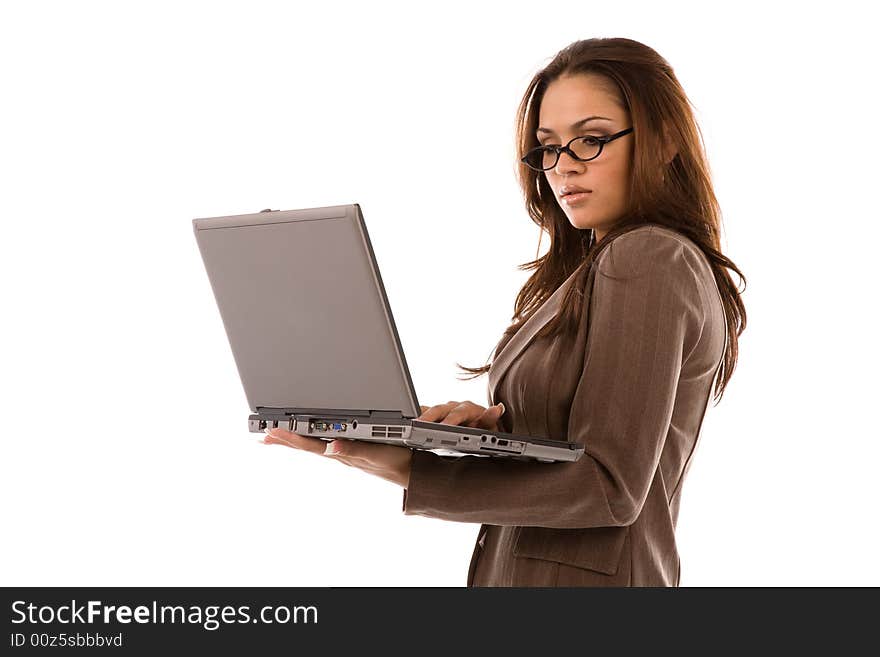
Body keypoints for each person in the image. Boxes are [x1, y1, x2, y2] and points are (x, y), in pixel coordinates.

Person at [262, 37, 747, 587]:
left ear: (662, 142)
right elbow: (581, 452)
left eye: (590, 140)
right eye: (549, 147)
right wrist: (495, 428)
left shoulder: (650, 257)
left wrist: (408, 468)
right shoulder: (592, 271)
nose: (563, 168)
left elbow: (610, 487)